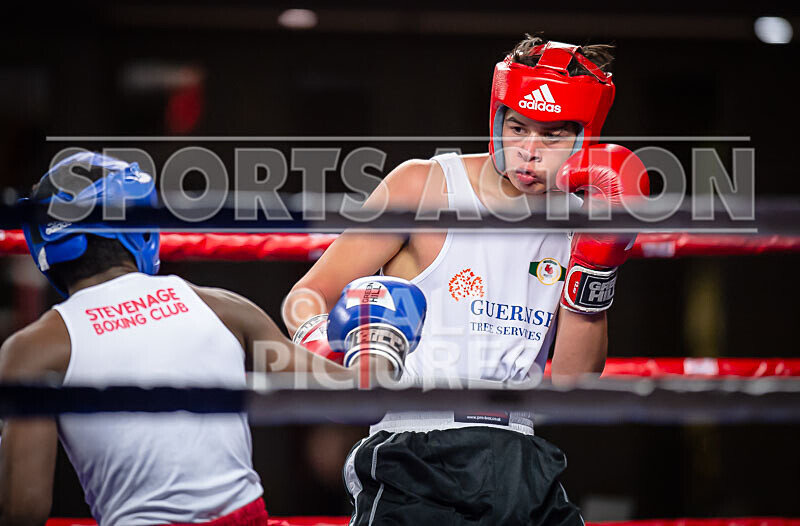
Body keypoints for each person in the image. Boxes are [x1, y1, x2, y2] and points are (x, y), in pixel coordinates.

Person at [284, 36, 649, 524]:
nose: (529, 152)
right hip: (415, 447)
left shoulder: (585, 221)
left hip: (521, 452)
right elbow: (305, 296)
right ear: (497, 116)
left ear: (587, 136)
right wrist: (327, 355)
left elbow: (571, 380)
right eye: (518, 128)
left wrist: (596, 266)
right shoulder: (424, 186)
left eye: (553, 136)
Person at [0, 152, 423, 525]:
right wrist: (381, 339)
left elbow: (24, 510)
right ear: (137, 224)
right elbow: (357, 398)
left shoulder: (33, 350)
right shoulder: (221, 307)